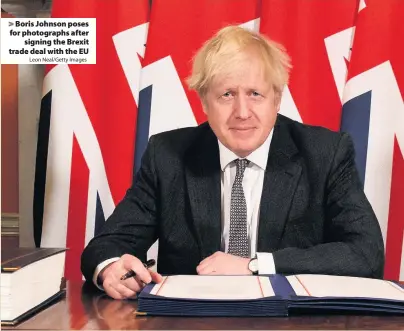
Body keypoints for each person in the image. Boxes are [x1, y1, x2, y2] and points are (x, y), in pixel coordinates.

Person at [81, 26, 384, 300]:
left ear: (276, 99)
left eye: (255, 94)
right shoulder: (168, 155)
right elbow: (107, 244)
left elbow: (366, 253)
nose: (242, 112)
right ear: (204, 102)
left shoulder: (325, 153)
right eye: (226, 95)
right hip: (190, 323)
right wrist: (111, 268)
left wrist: (256, 265)